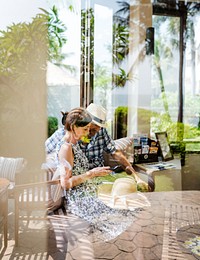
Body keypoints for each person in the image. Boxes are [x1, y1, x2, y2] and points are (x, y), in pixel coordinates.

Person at [53, 107, 141, 241]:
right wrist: (91, 173)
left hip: (89, 190)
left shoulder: (73, 143)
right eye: (85, 129)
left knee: (128, 213)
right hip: (80, 199)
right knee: (120, 219)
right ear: (73, 126)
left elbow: (114, 152)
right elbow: (65, 183)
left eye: (90, 129)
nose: (87, 133)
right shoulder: (66, 148)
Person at [45, 103, 148, 189]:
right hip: (83, 182)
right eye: (91, 129)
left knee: (130, 187)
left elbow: (115, 152)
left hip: (99, 177)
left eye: (98, 129)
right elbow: (43, 151)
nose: (95, 132)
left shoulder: (100, 132)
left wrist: (136, 176)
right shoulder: (65, 139)